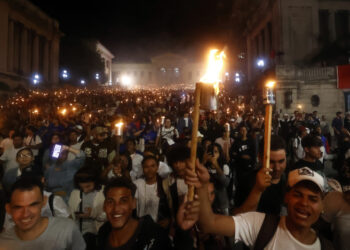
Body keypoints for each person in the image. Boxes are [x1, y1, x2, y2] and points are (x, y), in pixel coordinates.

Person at [185, 164, 334, 250]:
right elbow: (209, 224)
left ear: (322, 205)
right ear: (286, 197)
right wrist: (203, 186)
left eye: (313, 199)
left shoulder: (327, 247)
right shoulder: (262, 225)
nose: (304, 203)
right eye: (298, 195)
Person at [0, 176, 86, 250]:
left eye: (33, 205)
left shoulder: (67, 230)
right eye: (18, 207)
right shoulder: (4, 242)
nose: (25, 213)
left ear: (43, 203)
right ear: (8, 209)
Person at [96, 177, 172, 249]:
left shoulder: (155, 236)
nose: (116, 208)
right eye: (110, 202)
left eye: (123, 201)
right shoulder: (103, 233)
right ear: (104, 206)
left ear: (133, 203)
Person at [69, 167, 106, 250]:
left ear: (95, 182)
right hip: (78, 234)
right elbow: (71, 213)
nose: (85, 190)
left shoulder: (103, 193)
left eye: (88, 186)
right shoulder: (75, 193)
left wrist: (93, 214)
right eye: (82, 187)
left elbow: (108, 216)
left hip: (96, 235)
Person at [133, 156, 170, 227]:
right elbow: (133, 206)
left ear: (157, 167)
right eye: (146, 167)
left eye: (152, 166)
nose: (150, 170)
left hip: (158, 226)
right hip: (140, 225)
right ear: (142, 168)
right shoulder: (137, 184)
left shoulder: (163, 184)